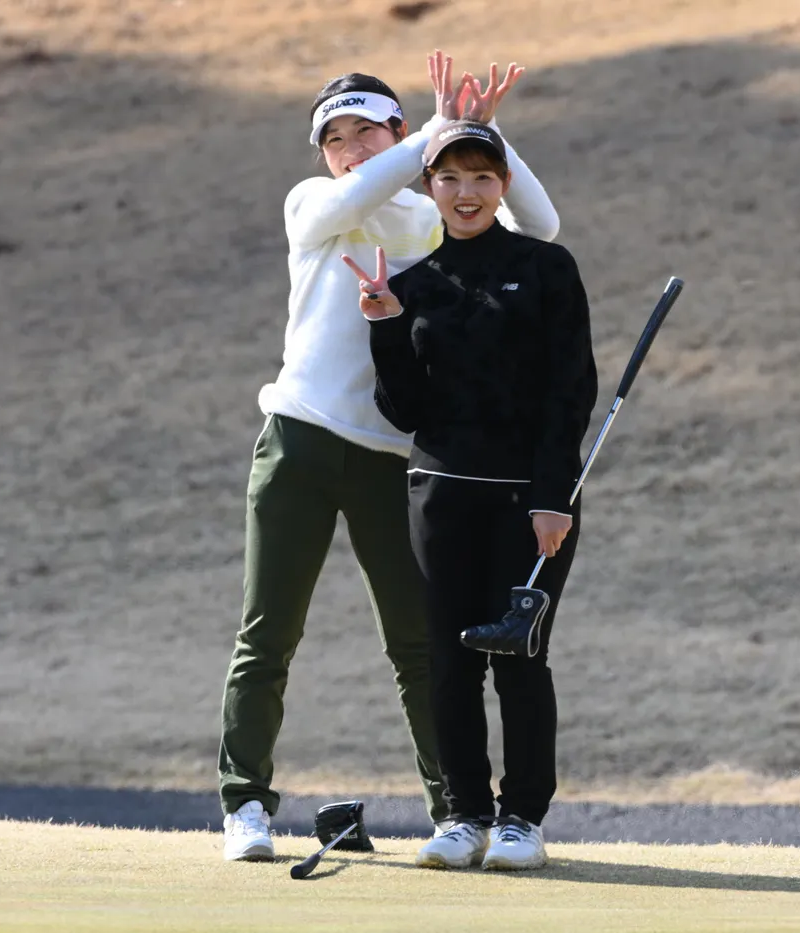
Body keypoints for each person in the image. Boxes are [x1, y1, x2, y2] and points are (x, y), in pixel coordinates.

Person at [218, 54, 562, 862]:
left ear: (399, 131)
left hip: (390, 457)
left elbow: (539, 228)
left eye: (366, 131)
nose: (350, 148)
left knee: (418, 642)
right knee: (268, 632)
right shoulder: (314, 202)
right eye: (334, 138)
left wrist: (478, 133)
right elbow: (352, 197)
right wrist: (432, 136)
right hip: (299, 440)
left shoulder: (435, 217)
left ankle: (454, 811)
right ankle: (245, 805)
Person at [341, 120, 597, 871]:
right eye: (450, 177)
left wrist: (554, 496)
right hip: (440, 495)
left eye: (482, 176)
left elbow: (570, 391)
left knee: (520, 656)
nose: (466, 192)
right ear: (430, 187)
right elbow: (406, 411)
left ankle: (522, 820)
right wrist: (386, 328)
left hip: (530, 501)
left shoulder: (546, 268)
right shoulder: (412, 286)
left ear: (503, 185)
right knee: (449, 661)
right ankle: (463, 816)